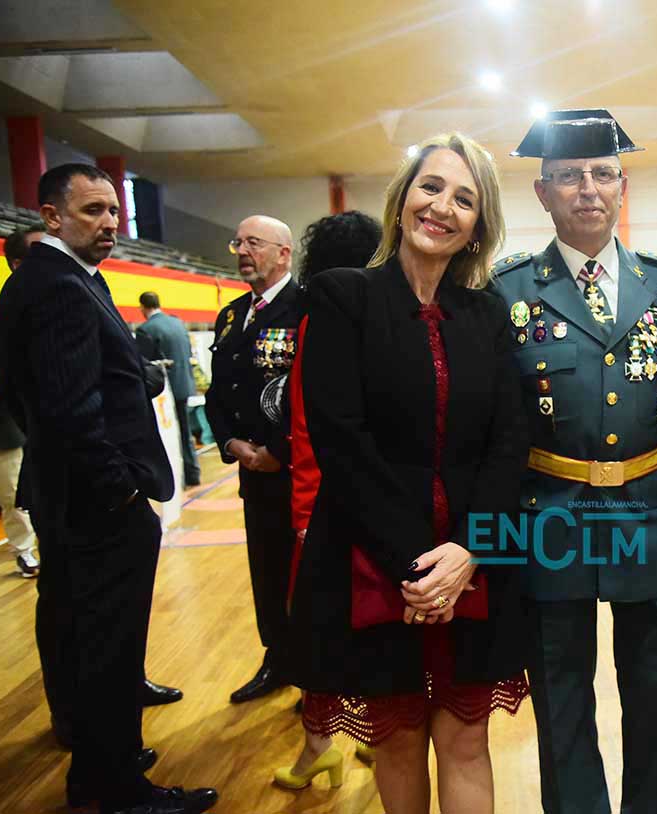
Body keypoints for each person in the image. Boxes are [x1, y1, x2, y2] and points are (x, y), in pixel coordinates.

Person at [288, 133, 530, 814]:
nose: (442, 207)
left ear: (477, 226)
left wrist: (470, 550)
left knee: (467, 738)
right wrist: (422, 569)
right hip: (373, 559)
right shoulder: (342, 297)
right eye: (431, 187)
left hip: (476, 559)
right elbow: (342, 443)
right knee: (396, 740)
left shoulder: (487, 314)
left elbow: (509, 441)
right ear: (401, 201)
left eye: (464, 199)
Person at [0, 163, 216, 814]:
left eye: (115, 210)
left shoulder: (44, 281)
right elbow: (70, 411)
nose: (111, 223)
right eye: (93, 210)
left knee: (84, 640)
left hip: (69, 496)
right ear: (51, 216)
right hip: (98, 504)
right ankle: (115, 787)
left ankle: (99, 755)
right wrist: (120, 492)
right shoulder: (60, 286)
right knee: (109, 647)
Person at [488, 109, 657, 814]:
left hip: (653, 511)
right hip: (549, 517)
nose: (588, 189)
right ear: (541, 192)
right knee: (561, 697)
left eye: (603, 173)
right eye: (568, 176)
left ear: (622, 186)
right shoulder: (506, 292)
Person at [268, 210, 382, 787]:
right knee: (374, 624)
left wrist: (304, 514)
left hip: (328, 506)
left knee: (321, 633)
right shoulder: (385, 314)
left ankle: (319, 748)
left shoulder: (323, 319)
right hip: (380, 502)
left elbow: (309, 428)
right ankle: (377, 737)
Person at [205, 214, 302, 705]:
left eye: (254, 243)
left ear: (284, 253)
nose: (242, 251)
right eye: (238, 242)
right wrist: (229, 443)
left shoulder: (306, 307)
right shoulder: (231, 315)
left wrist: (279, 451)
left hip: (299, 473)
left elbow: (317, 392)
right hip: (253, 473)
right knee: (265, 570)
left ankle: (314, 671)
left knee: (306, 576)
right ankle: (278, 658)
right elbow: (217, 393)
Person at [0, 223, 44, 577]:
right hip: (4, 429)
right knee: (14, 495)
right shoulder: (1, 325)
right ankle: (25, 550)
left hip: (40, 428)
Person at [136, 292, 200, 487]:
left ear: (143, 307)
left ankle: (172, 479)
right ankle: (192, 473)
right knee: (185, 433)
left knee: (167, 437)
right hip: (184, 386)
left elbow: (143, 364)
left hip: (163, 393)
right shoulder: (177, 323)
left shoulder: (146, 329)